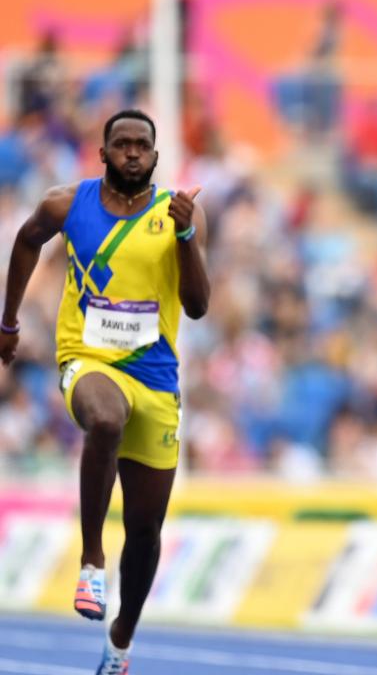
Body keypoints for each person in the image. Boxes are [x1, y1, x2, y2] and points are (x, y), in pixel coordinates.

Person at [0, 109, 209, 675]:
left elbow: (197, 306)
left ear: (157, 157)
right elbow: (25, 242)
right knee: (106, 419)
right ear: (104, 154)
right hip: (87, 359)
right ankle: (92, 559)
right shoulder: (66, 204)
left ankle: (121, 639)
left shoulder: (177, 215)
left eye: (143, 145)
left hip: (157, 379)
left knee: (144, 532)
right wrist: (8, 323)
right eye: (122, 144)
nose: (133, 153)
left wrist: (188, 235)